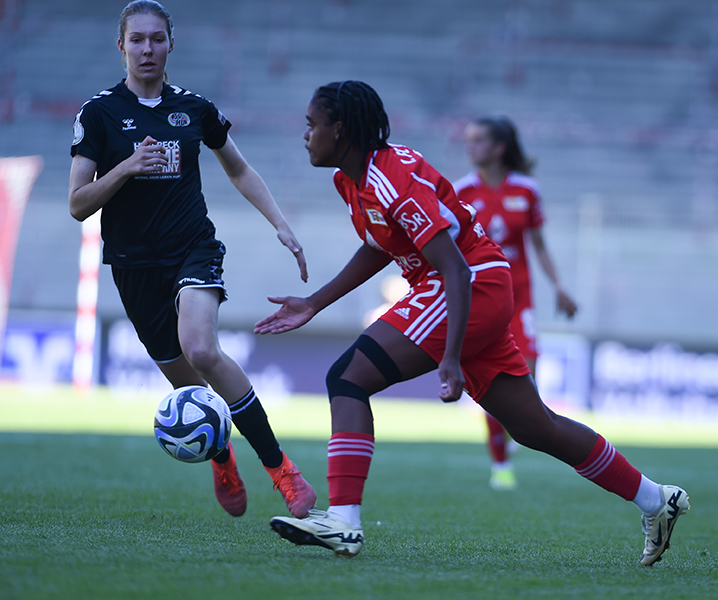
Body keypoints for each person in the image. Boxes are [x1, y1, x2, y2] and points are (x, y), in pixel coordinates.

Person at [255, 80, 690, 566]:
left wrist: (450, 357)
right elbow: (380, 246)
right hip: (468, 286)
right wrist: (315, 302)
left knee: (347, 377)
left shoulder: (391, 179)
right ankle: (656, 499)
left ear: (340, 129)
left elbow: (456, 268)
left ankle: (344, 521)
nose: (306, 135)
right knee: (535, 427)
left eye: (312, 125)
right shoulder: (352, 180)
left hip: (467, 284)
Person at [68, 0, 315, 519]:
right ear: (121, 46)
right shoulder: (98, 114)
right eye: (137, 39)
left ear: (171, 44)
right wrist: (127, 167)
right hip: (133, 264)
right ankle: (222, 458)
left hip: (192, 248)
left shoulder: (195, 108)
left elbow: (239, 169)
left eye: (157, 39)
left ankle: (283, 472)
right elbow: (78, 204)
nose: (147, 49)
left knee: (201, 349)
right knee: (186, 382)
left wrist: (280, 222)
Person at [454, 115, 578, 491]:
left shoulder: (526, 190)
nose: (470, 146)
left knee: (526, 381)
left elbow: (538, 245)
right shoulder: (460, 191)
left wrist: (559, 286)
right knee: (494, 382)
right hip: (481, 296)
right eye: (468, 140)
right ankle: (501, 464)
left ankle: (512, 433)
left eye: (478, 140)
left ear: (499, 148)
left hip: (519, 297)